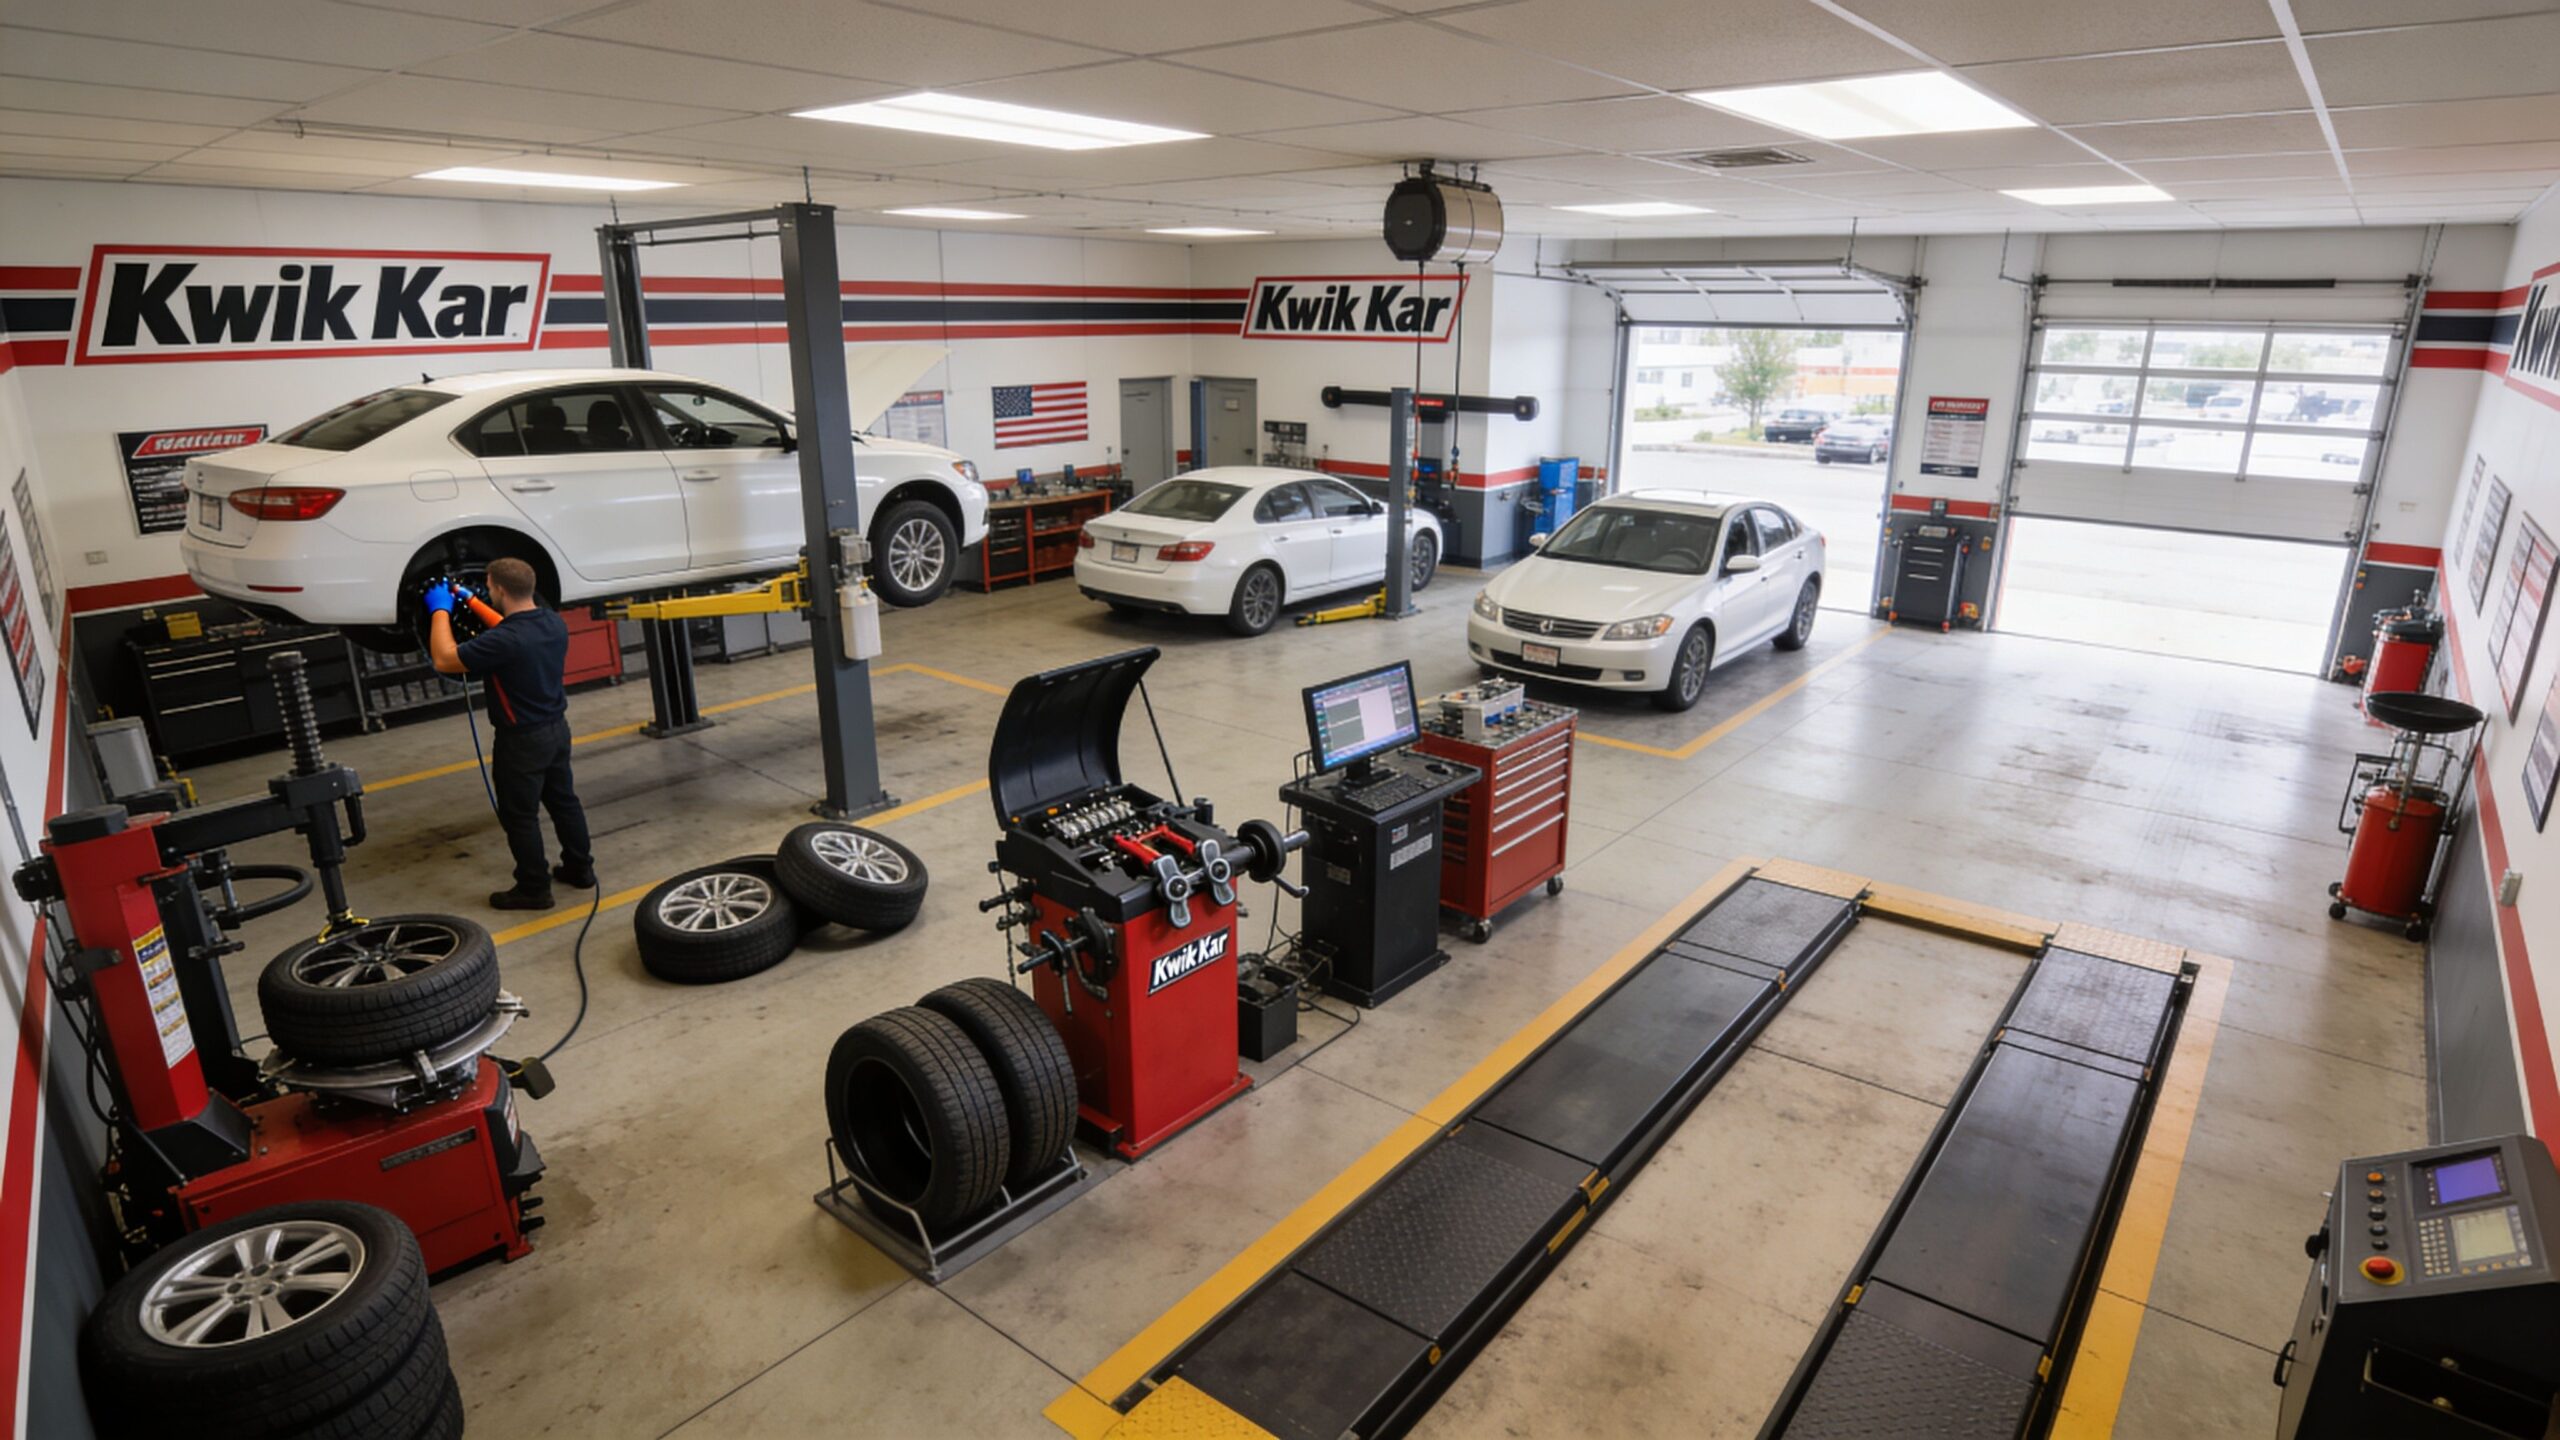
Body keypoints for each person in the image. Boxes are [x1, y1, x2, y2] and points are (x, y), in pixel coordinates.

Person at [426, 558, 594, 910]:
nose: (487, 591)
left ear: (500, 589)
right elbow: (509, 628)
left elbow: (444, 659)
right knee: (564, 801)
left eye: (488, 588)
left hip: (521, 742)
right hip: (557, 730)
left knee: (519, 816)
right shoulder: (551, 621)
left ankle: (534, 889)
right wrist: (471, 601)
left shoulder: (504, 641)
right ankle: (581, 870)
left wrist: (439, 611)